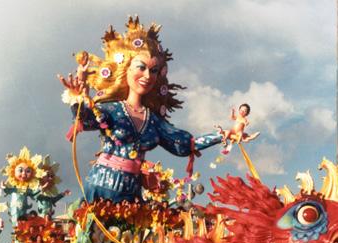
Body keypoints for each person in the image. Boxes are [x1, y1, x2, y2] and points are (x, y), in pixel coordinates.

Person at [59, 16, 243, 203]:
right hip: (98, 190)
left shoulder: (154, 121)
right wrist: (79, 95)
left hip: (131, 196)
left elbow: (185, 145)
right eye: (141, 67)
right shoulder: (111, 110)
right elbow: (86, 120)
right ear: (126, 69)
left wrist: (226, 134)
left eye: (153, 71)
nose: (147, 76)